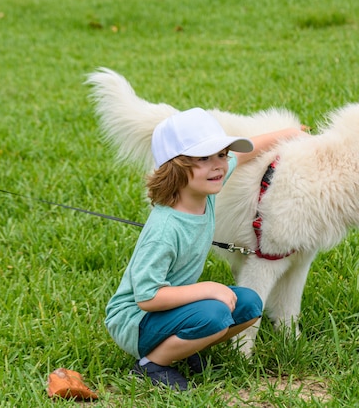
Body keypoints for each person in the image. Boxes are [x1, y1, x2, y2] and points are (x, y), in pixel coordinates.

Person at [105, 107, 305, 391]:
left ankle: (184, 349)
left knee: (249, 304)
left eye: (221, 155)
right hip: (135, 322)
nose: (219, 165)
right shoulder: (165, 230)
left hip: (170, 310)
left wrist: (292, 134)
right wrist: (208, 288)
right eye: (204, 158)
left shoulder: (204, 188)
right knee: (215, 313)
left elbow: (246, 152)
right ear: (175, 167)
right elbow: (147, 297)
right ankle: (151, 364)